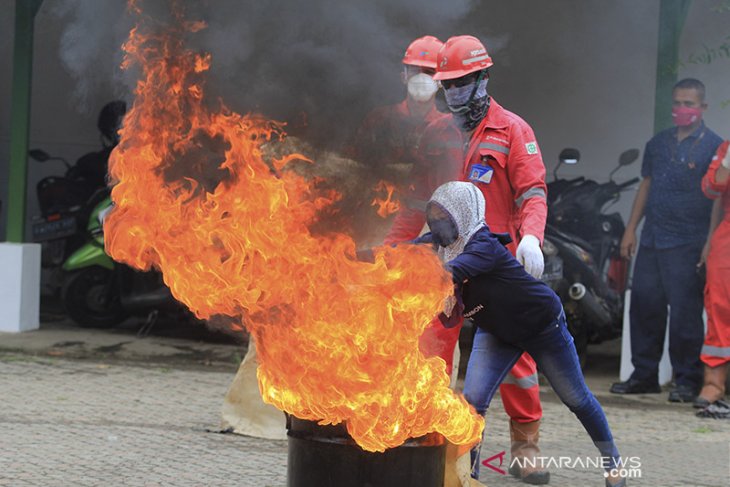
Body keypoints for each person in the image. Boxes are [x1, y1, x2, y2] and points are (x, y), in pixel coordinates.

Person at [417, 181, 625, 487]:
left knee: (576, 398)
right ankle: (469, 478)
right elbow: (402, 250)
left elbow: (446, 274)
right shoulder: (442, 246)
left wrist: (403, 271)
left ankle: (614, 465)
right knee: (473, 402)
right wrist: (360, 258)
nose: (437, 224)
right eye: (432, 216)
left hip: (541, 326)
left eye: (443, 216)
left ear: (463, 214)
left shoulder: (482, 245)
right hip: (497, 331)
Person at [426, 35, 550, 484]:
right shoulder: (436, 134)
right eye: (448, 85)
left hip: (496, 263)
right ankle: (439, 443)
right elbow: (415, 201)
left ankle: (525, 447)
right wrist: (395, 246)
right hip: (445, 265)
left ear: (482, 79)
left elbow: (532, 192)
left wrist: (531, 239)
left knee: (514, 357)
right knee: (433, 352)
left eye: (462, 83)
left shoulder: (513, 130)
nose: (454, 92)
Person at [611, 79, 723, 402]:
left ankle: (687, 380)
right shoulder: (657, 143)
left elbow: (718, 197)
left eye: (689, 104)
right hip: (653, 239)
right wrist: (631, 227)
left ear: (702, 108)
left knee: (686, 314)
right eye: (677, 103)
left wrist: (709, 241)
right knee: (645, 306)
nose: (682, 109)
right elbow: (646, 185)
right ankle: (644, 375)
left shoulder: (714, 146)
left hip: (689, 241)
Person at [695, 140, 730, 418]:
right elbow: (711, 189)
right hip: (726, 236)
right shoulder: (726, 147)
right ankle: (713, 385)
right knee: (719, 307)